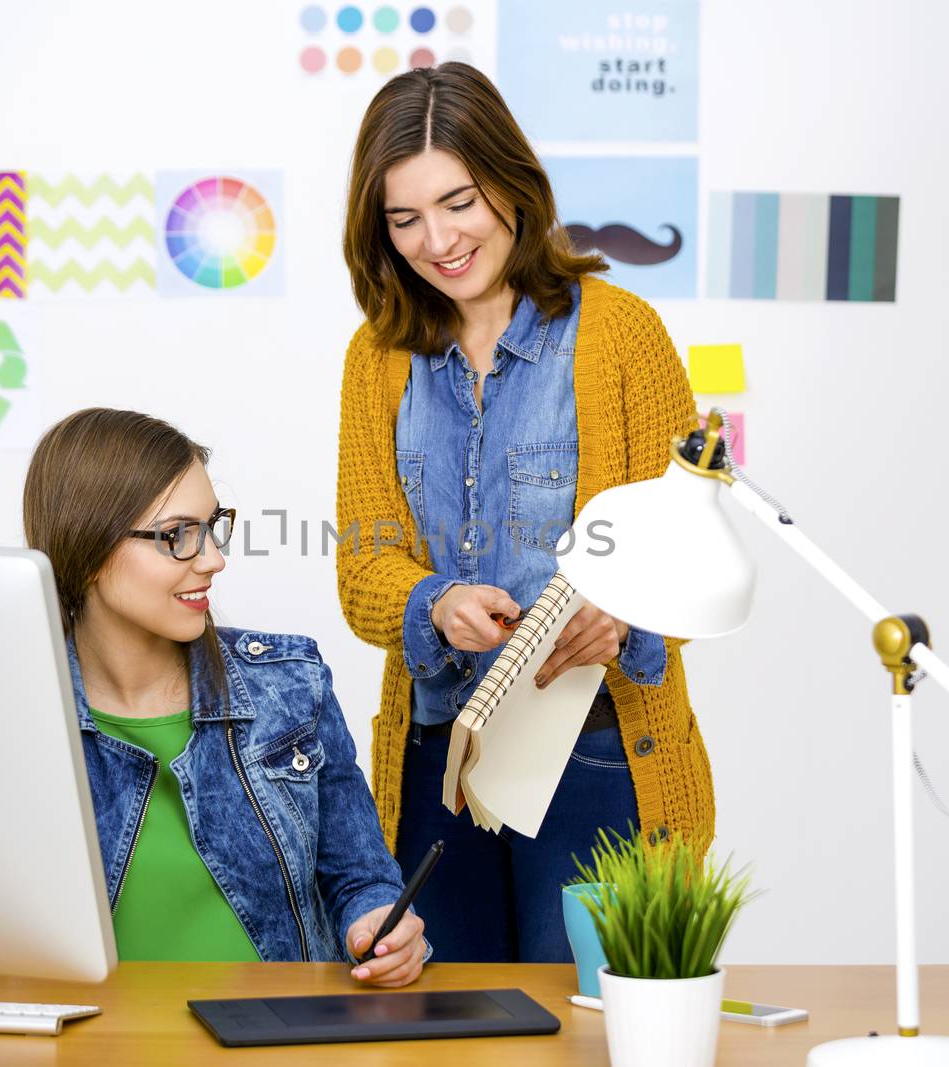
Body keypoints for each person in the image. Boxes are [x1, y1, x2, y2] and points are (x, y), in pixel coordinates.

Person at [0, 409, 427, 1001]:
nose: (214, 559)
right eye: (178, 536)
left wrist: (381, 925)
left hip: (271, 1042)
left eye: (213, 527)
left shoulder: (290, 685)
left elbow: (361, 881)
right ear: (91, 546)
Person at [335, 62, 716, 962]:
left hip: (598, 759)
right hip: (440, 764)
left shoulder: (621, 335)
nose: (438, 239)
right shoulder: (376, 356)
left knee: (592, 1027)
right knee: (448, 1035)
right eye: (404, 218)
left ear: (511, 185)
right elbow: (363, 564)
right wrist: (433, 601)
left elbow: (695, 546)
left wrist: (624, 615)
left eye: (458, 201)